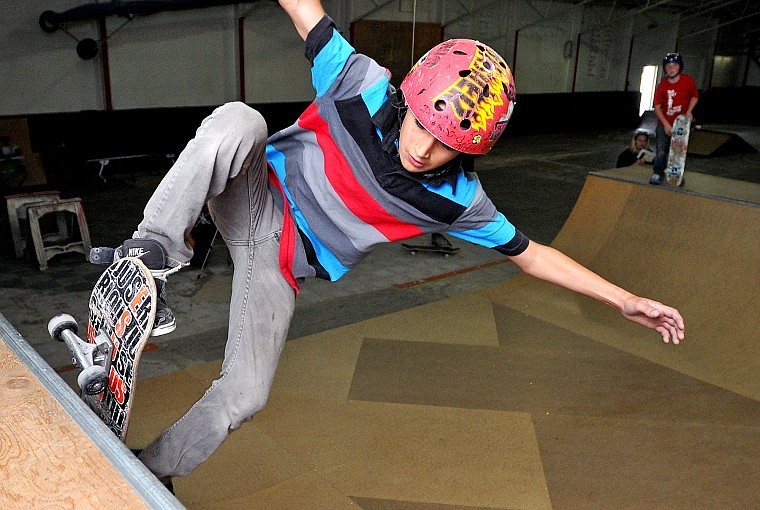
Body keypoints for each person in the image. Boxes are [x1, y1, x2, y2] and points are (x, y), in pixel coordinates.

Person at [112, 0, 685, 488]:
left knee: (246, 394)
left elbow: (533, 255)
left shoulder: (460, 201)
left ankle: (151, 470)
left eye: (445, 146)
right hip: (254, 193)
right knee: (237, 121)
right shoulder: (358, 82)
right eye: (421, 127)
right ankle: (154, 249)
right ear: (408, 98)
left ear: (468, 152)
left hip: (282, 262)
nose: (423, 151)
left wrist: (623, 299)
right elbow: (303, 9)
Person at [650, 52, 699, 184]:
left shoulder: (687, 81)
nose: (671, 68)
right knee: (661, 151)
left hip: (680, 124)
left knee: (678, 153)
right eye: (668, 66)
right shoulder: (662, 86)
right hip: (664, 123)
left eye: (674, 65)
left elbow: (694, 96)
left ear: (680, 67)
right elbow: (657, 107)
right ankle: (657, 173)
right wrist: (666, 125)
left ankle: (676, 174)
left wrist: (689, 111)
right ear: (665, 68)